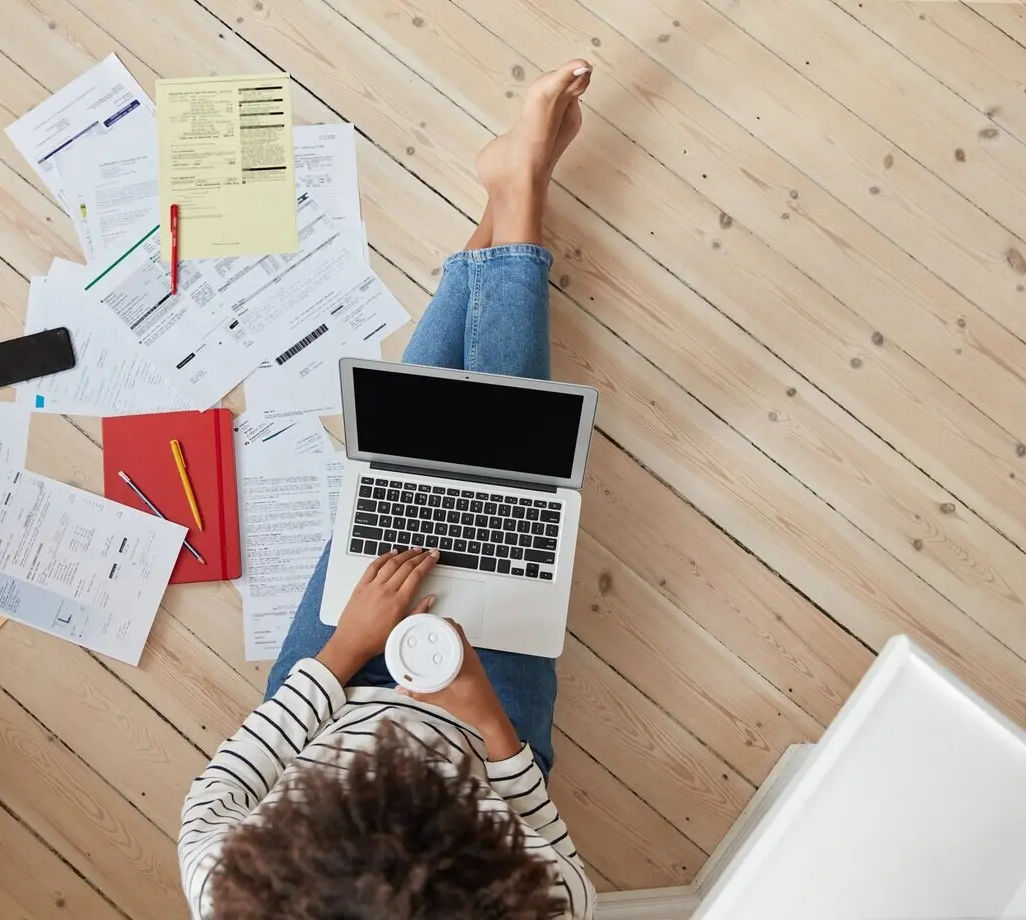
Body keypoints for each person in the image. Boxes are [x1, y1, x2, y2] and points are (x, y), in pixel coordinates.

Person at [179, 60, 597, 920]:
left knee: (405, 464)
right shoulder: (525, 906)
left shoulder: (227, 880)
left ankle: (515, 194)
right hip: (489, 710)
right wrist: (485, 719)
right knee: (506, 473)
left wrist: (344, 650)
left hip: (332, 677)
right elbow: (563, 866)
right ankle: (514, 192)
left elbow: (210, 801)